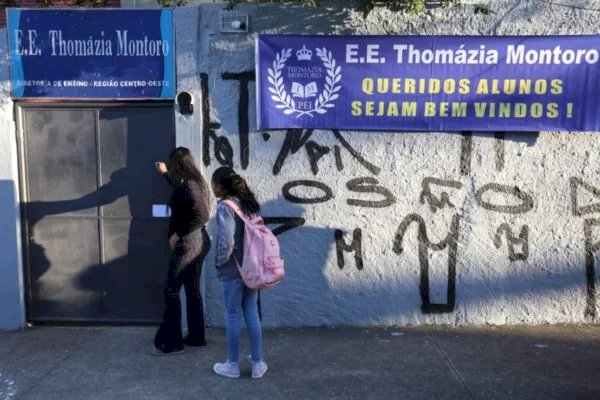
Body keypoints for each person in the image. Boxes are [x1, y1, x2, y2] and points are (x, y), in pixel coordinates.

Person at [152, 147, 212, 355]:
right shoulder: (189, 183)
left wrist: (179, 234)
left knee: (171, 290)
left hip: (190, 245)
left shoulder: (190, 185)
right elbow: (179, 189)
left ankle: (171, 343)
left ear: (177, 165)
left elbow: (202, 215)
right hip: (196, 243)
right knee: (192, 289)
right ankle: (196, 337)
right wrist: (165, 174)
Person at [211, 166, 268, 379]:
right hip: (252, 267)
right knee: (252, 312)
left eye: (214, 184)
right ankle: (257, 364)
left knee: (233, 314)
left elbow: (226, 242)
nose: (213, 188)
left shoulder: (225, 207)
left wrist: (219, 263)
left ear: (220, 185)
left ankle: (232, 365)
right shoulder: (248, 204)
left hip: (233, 269)